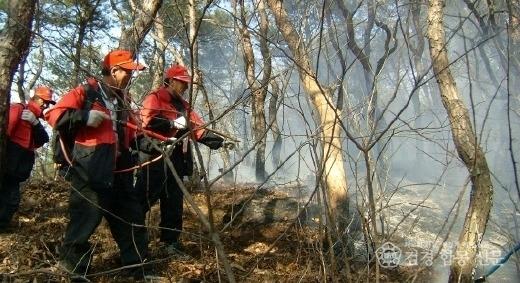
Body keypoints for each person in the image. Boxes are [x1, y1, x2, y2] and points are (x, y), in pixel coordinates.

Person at [44, 50, 150, 280]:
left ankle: (137, 271)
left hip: (119, 172)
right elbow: (55, 115)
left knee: (132, 220)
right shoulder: (86, 92)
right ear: (114, 71)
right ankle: (74, 272)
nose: (131, 76)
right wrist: (84, 117)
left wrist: (155, 145)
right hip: (89, 171)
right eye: (128, 71)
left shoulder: (124, 100)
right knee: (83, 223)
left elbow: (134, 133)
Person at [135, 64, 225, 254]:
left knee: (173, 203)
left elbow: (198, 129)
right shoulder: (155, 98)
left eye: (187, 84)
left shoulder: (185, 106)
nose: (185, 87)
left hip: (177, 159)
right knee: (141, 201)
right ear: (170, 81)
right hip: (154, 157)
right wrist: (171, 123)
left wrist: (219, 141)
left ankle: (170, 244)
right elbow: (145, 123)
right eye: (182, 83)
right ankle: (134, 243)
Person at [0, 86, 54, 232]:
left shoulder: (34, 121)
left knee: (11, 201)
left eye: (48, 103)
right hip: (7, 168)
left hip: (16, 172)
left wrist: (35, 124)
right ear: (37, 99)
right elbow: (4, 134)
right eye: (45, 102)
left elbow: (44, 138)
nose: (46, 106)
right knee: (10, 201)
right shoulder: (18, 109)